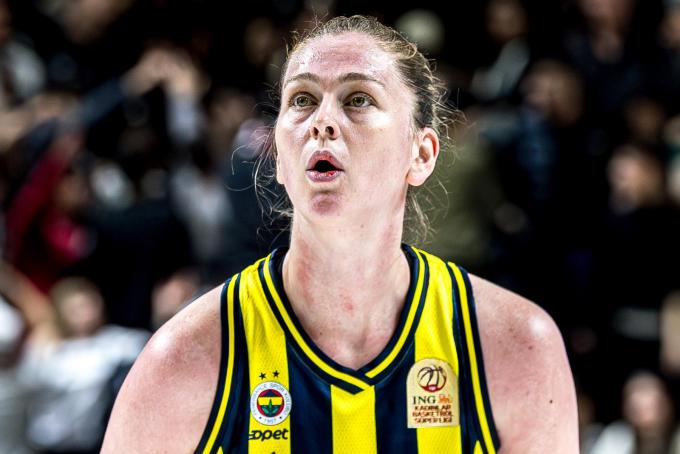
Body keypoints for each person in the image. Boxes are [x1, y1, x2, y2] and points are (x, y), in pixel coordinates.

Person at [102, 15, 578, 453]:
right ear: (278, 158)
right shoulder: (184, 361)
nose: (322, 122)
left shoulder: (516, 348)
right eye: (302, 100)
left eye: (358, 99)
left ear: (422, 154)